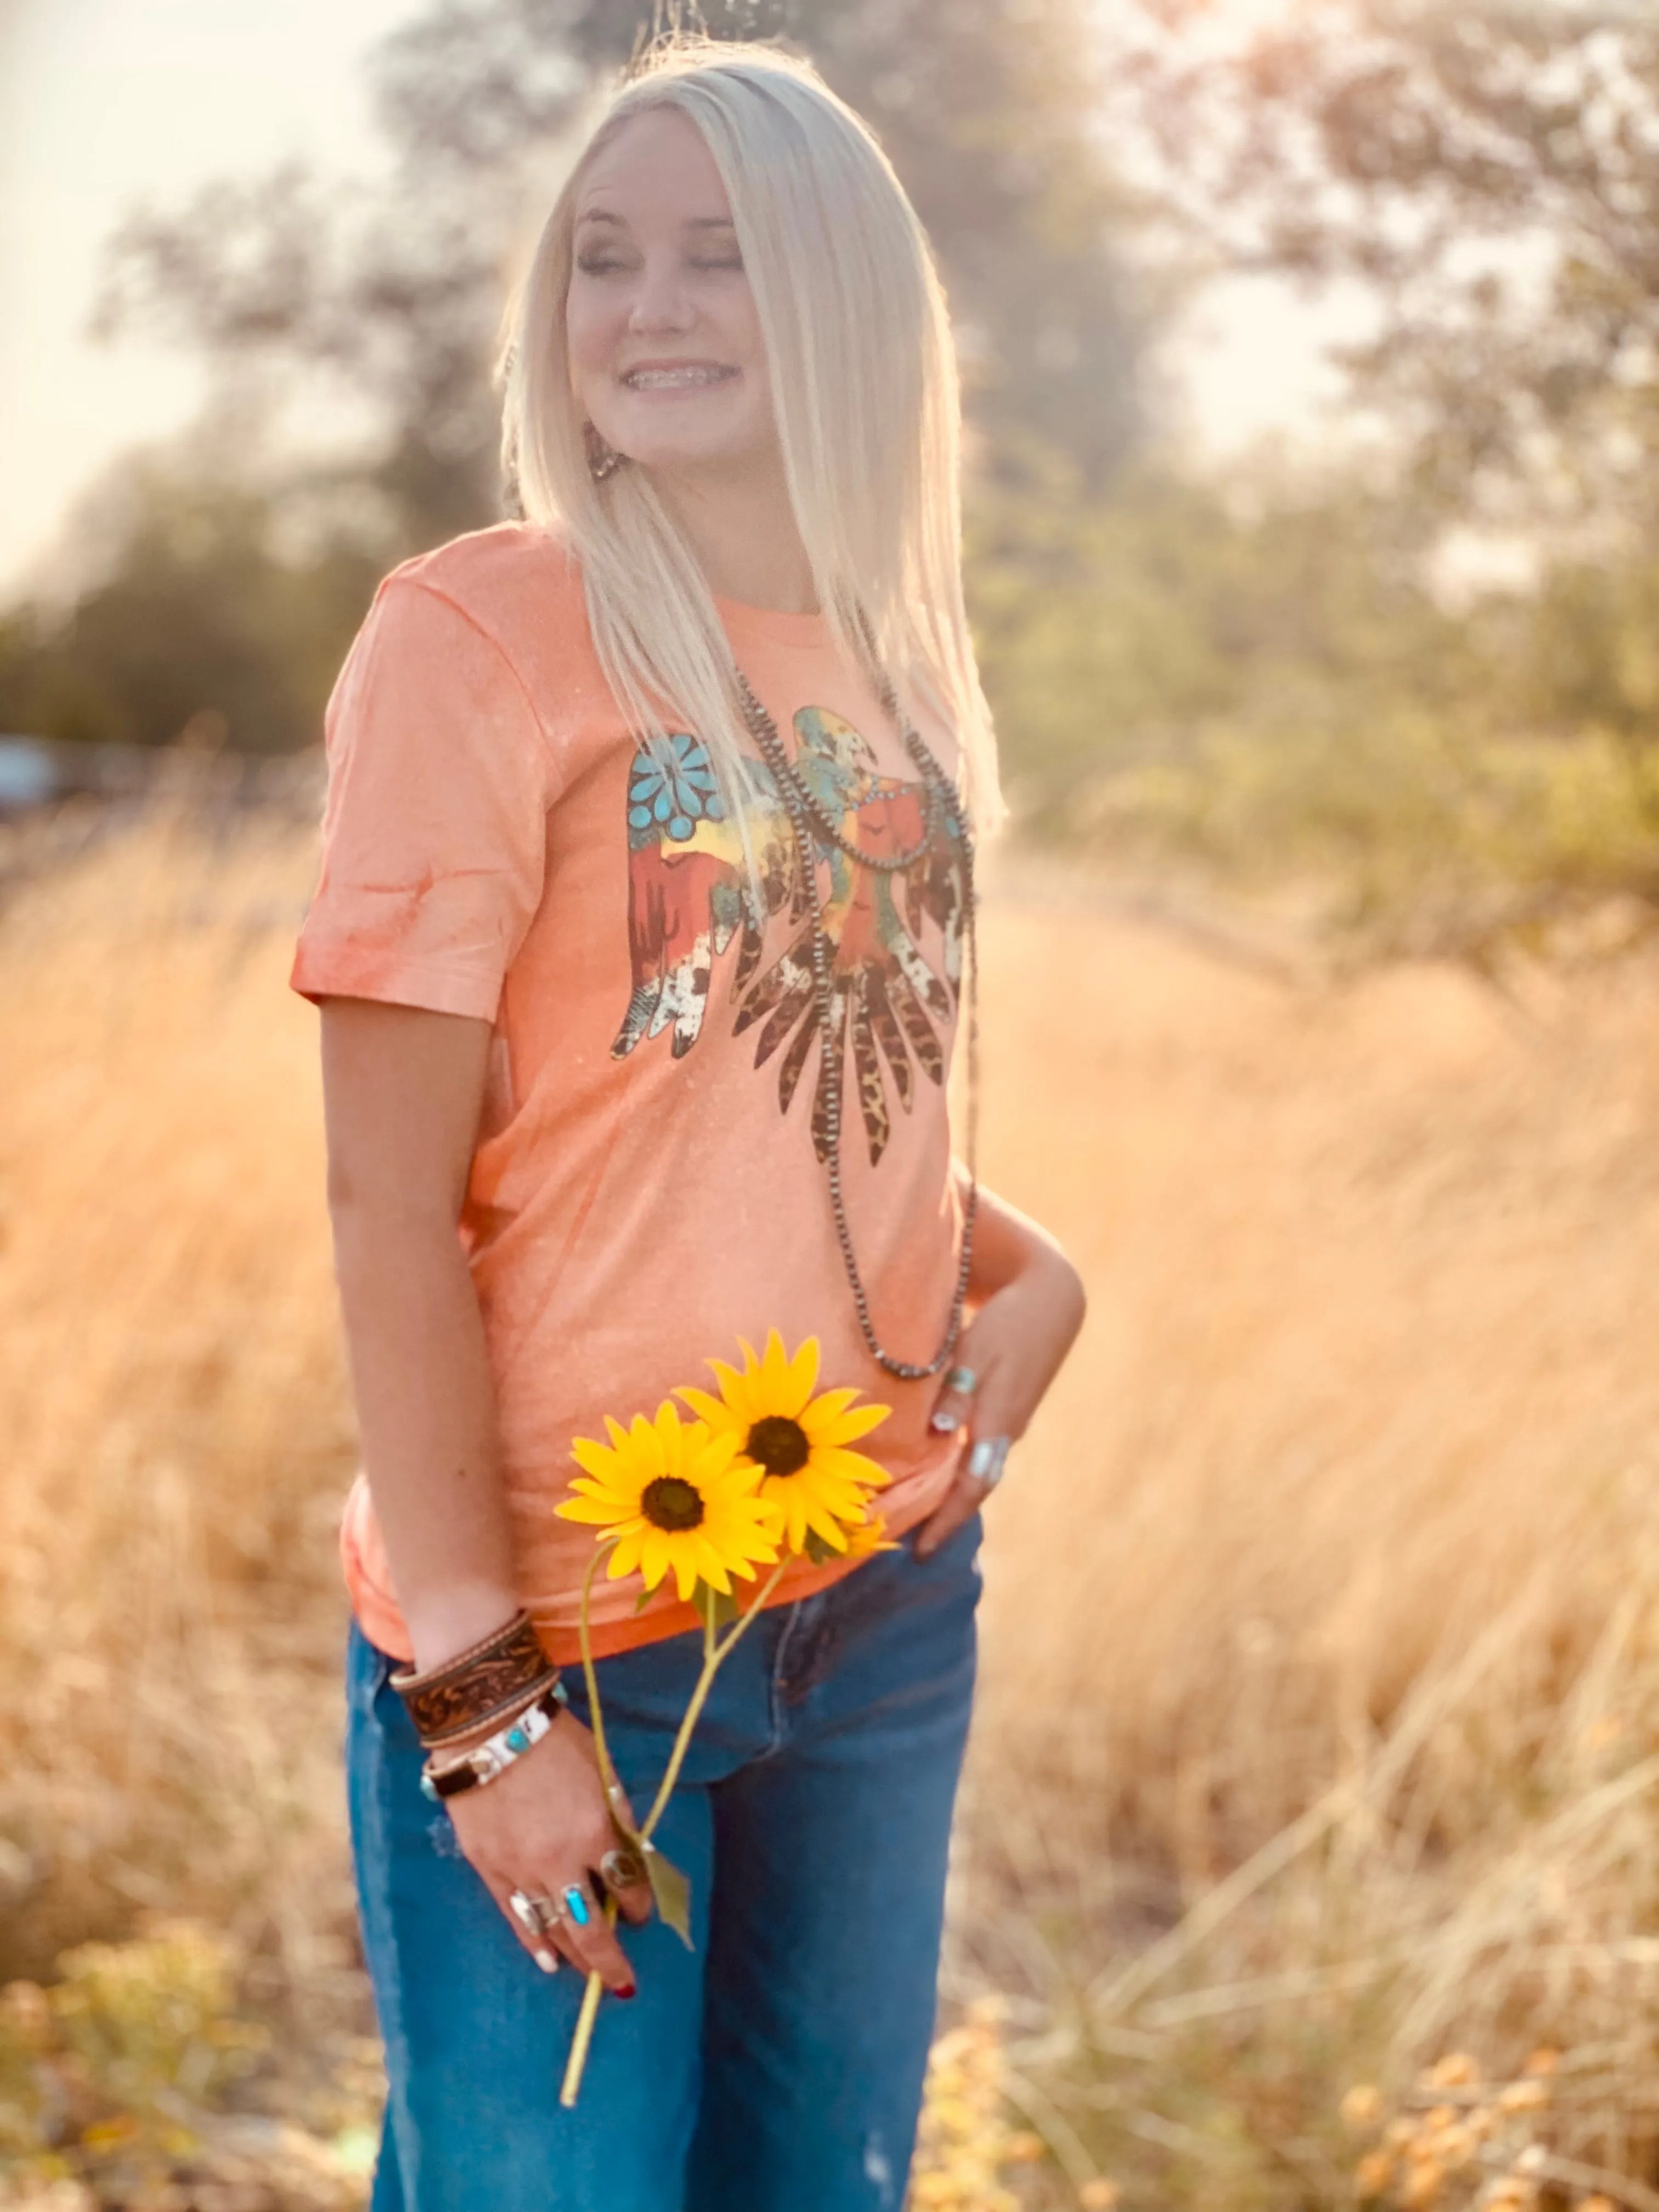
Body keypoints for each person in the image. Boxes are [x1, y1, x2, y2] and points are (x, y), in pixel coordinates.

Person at [290, 32, 1085, 2212]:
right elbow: (391, 1197)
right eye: (605, 259)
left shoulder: (901, 655)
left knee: (820, 2192)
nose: (645, 311)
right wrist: (478, 1697)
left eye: (720, 258)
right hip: (568, 1626)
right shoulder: (482, 633)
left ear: (844, 300)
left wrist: (1036, 1270)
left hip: (878, 1595)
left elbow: (789, 1093)